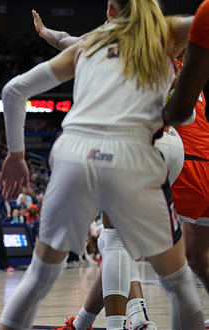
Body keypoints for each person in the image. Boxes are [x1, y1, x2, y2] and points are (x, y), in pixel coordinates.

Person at [0, 1, 202, 329]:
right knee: (177, 283)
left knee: (40, 277)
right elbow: (202, 22)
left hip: (74, 152)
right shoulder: (167, 34)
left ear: (109, 9)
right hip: (148, 147)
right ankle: (123, 320)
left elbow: (14, 89)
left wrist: (17, 155)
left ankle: (114, 321)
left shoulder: (91, 42)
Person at [163, 1, 209, 326]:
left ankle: (134, 318)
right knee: (197, 258)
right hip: (206, 166)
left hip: (186, 167)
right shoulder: (193, 77)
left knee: (120, 240)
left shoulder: (167, 73)